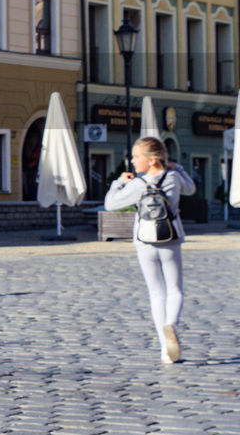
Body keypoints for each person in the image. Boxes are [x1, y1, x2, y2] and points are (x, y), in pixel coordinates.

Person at [103, 136, 195, 364]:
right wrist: (178, 168)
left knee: (156, 293)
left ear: (152, 160)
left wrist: (119, 182)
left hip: (144, 241)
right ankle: (171, 324)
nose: (132, 161)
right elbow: (191, 189)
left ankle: (165, 350)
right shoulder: (173, 177)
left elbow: (110, 204)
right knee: (175, 290)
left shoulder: (137, 184)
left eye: (136, 157)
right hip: (171, 239)